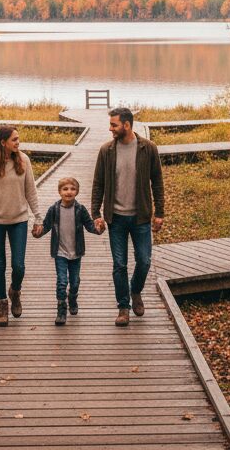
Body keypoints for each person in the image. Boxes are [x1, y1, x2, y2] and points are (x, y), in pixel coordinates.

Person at [90, 107, 164, 327]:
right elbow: (98, 184)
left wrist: (159, 212)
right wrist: (96, 213)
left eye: (114, 124)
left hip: (141, 216)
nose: (110, 128)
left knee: (144, 261)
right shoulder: (106, 151)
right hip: (116, 218)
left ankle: (135, 291)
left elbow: (157, 182)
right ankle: (123, 307)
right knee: (119, 264)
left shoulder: (148, 149)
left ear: (127, 125)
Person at [0, 125, 42, 326]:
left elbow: (31, 191)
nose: (18, 143)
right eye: (14, 140)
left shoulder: (24, 161)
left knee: (18, 265)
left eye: (18, 139)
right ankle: (2, 306)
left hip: (19, 220)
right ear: (3, 142)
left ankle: (15, 291)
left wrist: (38, 218)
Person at [33, 175, 98, 325]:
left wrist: (98, 229)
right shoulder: (54, 209)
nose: (69, 192)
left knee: (74, 282)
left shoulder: (80, 209)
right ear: (59, 192)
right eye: (65, 189)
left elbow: (89, 226)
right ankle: (61, 309)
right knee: (62, 281)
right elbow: (46, 226)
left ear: (77, 191)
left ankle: (73, 297)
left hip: (76, 252)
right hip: (60, 252)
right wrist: (37, 233)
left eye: (72, 189)